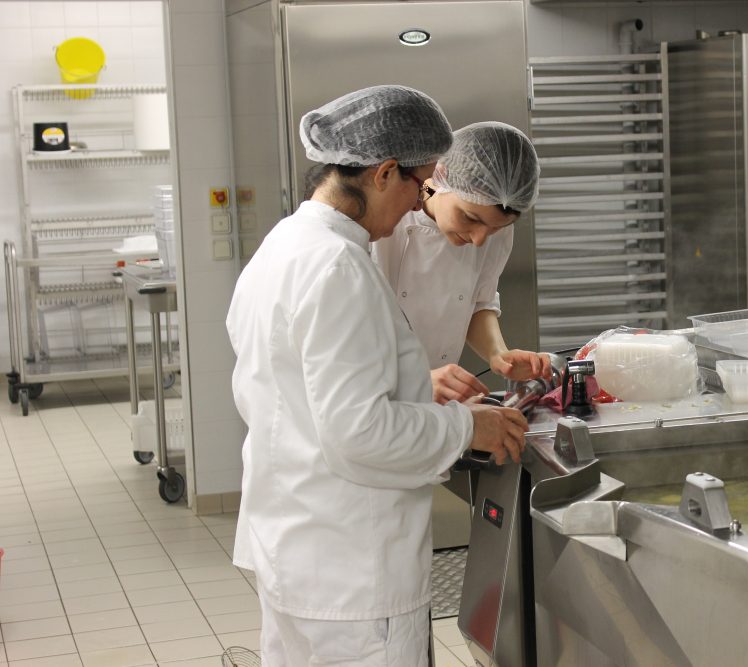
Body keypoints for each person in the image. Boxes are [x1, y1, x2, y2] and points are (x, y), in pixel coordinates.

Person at [226, 86, 529, 667]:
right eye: (420, 183)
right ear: (386, 173)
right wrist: (470, 428)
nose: (419, 201)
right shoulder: (339, 267)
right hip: (354, 571)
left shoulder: (284, 245)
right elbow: (360, 433)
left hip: (295, 544)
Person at [371, 122, 551, 404]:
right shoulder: (386, 223)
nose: (479, 239)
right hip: (375, 397)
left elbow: (478, 301)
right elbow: (352, 333)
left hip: (435, 403)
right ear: (440, 176)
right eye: (470, 217)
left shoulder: (496, 231)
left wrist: (498, 354)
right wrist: (414, 380)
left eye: (495, 228)